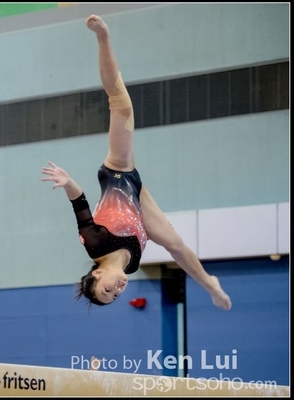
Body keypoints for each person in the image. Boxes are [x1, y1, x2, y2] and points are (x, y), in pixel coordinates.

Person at [41, 14, 232, 311]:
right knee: (176, 246)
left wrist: (67, 182)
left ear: (97, 273)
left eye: (107, 290)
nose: (116, 290)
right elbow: (158, 241)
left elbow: (80, 204)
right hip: (139, 205)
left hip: (117, 175)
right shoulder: (130, 266)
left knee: (121, 105)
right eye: (114, 296)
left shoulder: (95, 244)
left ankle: (103, 38)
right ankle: (211, 285)